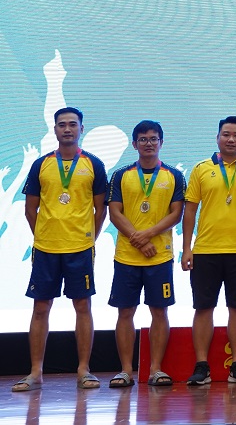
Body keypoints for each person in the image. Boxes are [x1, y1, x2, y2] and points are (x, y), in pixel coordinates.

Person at [14, 107, 108, 392]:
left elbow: (101, 209)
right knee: (40, 308)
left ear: (81, 128)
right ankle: (35, 372)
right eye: (62, 125)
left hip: (80, 248)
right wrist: (45, 235)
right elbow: (30, 209)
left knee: (82, 306)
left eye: (72, 124)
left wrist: (88, 238)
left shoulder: (94, 164)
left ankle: (84, 370)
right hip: (46, 249)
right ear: (54, 129)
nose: (67, 129)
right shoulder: (40, 164)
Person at [181, 116, 236, 385]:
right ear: (217, 137)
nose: (231, 139)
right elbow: (190, 211)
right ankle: (201, 367)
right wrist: (186, 248)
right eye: (226, 134)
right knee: (203, 307)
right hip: (205, 250)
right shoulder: (201, 169)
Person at [107, 120, 185, 388]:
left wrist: (148, 234)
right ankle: (125, 371)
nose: (148, 143)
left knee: (159, 311)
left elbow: (176, 214)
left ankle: (156, 369)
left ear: (161, 142)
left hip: (159, 256)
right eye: (143, 139)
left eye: (153, 139)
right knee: (125, 311)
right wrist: (139, 241)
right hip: (126, 257)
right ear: (134, 144)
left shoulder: (174, 176)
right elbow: (114, 212)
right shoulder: (121, 175)